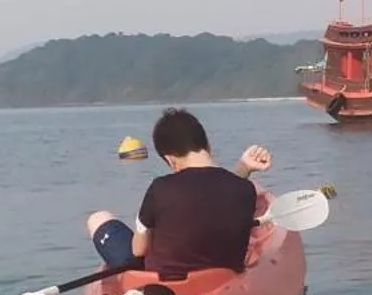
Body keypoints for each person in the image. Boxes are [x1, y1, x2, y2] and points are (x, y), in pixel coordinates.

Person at [86, 108, 272, 278]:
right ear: (207, 144)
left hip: (165, 282)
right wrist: (244, 167)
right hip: (221, 278)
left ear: (170, 159)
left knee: (98, 218)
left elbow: (138, 249)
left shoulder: (160, 188)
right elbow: (215, 193)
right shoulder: (245, 189)